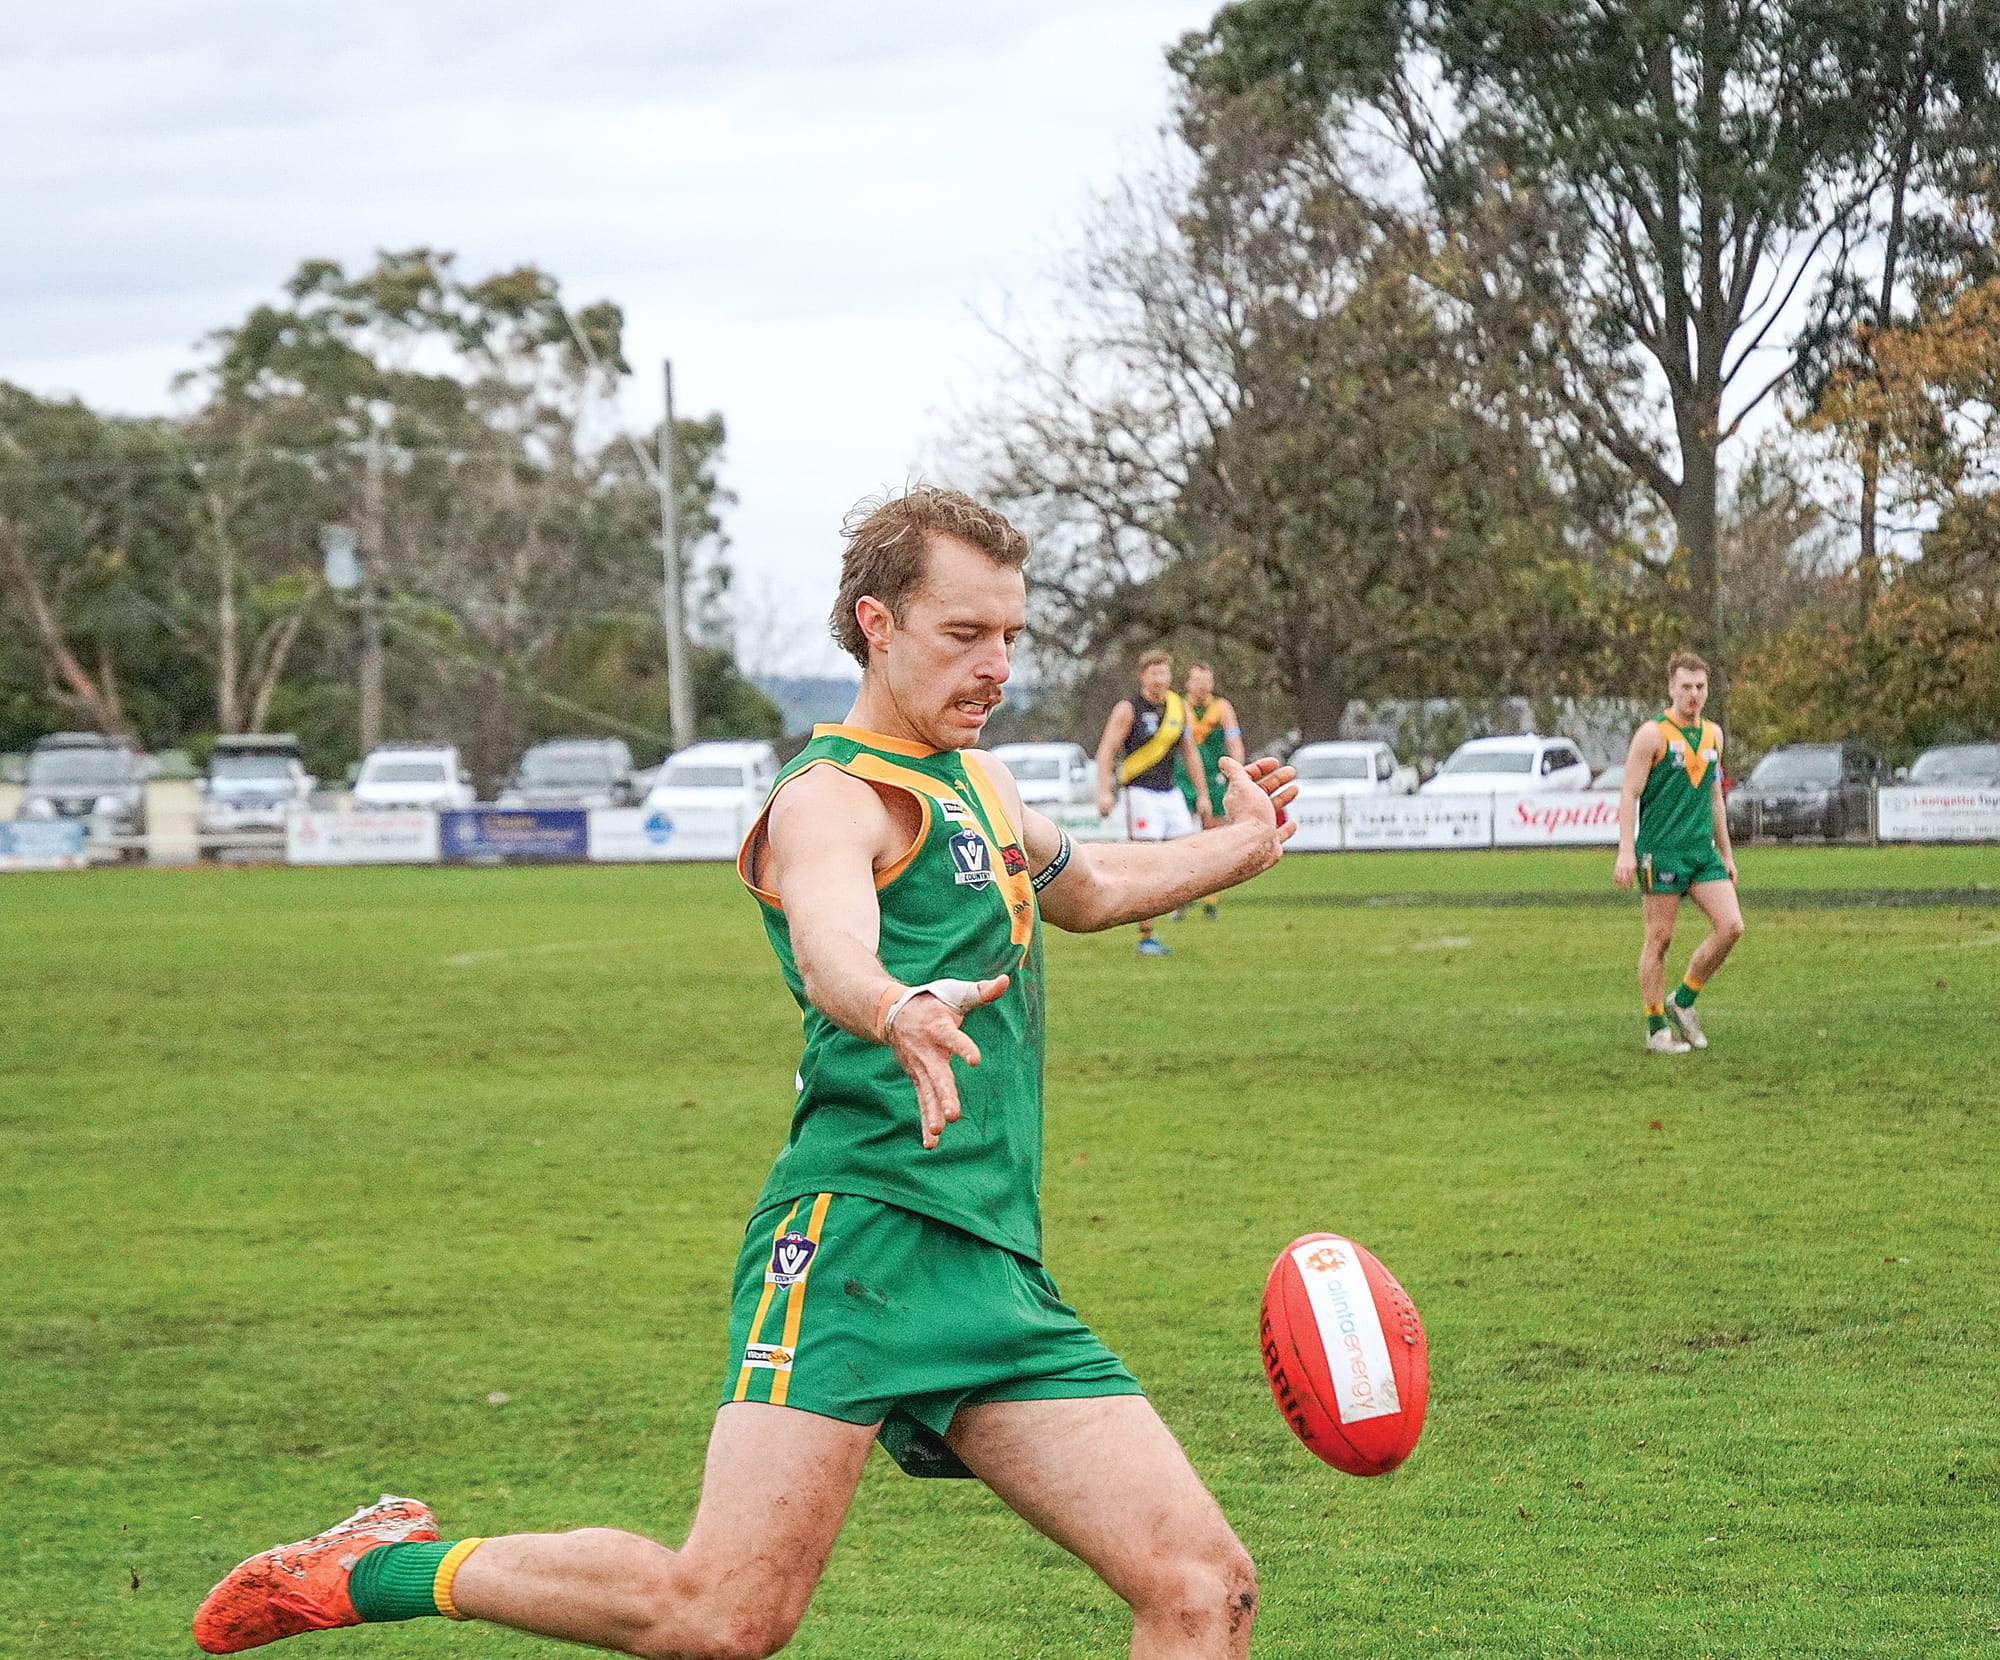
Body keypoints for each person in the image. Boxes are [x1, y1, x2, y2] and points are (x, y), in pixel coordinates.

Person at [193, 486, 1296, 1660]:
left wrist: (1241, 842)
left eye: (1010, 636)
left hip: (989, 1261)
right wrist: (893, 1005)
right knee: (721, 1613)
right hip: (857, 1240)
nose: (995, 666)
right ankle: (376, 1566)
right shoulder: (829, 799)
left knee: (1200, 1585)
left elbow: (1092, 889)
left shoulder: (980, 784)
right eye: (964, 634)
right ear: (876, 623)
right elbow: (832, 945)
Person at [1613, 650, 1745, 1053]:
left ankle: (1683, 1000)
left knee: (1731, 926)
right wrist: (1626, 850)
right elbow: (1629, 793)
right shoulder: (1652, 735)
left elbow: (1715, 798)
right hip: (1661, 851)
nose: (1694, 694)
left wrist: (1726, 853)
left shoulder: (1714, 735)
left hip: (1701, 853)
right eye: (1686, 686)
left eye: (1700, 686)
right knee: (1660, 939)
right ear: (1671, 688)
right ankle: (1656, 1029)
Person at [1094, 650, 1213, 955]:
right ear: (1143, 676)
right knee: (1144, 863)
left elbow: (1189, 752)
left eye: (1164, 673)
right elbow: (1107, 749)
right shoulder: (1129, 708)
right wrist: (1104, 791)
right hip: (1140, 793)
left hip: (1170, 793)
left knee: (1188, 856)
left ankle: (1170, 903)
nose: (1160, 679)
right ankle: (1146, 935)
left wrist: (1202, 793)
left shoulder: (1177, 706)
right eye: (1154, 673)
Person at [1173, 663, 1246, 921]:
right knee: (1180, 839)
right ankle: (1180, 896)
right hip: (1183, 778)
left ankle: (1210, 899)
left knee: (1213, 837)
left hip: (1214, 778)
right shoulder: (1179, 706)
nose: (1203, 686)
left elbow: (1234, 742)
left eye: (1207, 680)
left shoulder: (1221, 707)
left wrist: (1238, 774)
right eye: (1198, 680)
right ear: (1188, 683)